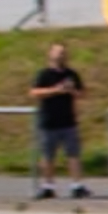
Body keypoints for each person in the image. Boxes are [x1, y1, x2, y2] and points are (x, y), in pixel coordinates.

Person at [29, 42, 90, 199]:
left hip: (68, 121)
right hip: (49, 121)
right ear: (50, 54)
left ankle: (77, 186)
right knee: (48, 156)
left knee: (73, 154)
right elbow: (34, 92)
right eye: (58, 52)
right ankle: (48, 186)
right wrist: (56, 90)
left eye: (63, 52)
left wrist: (71, 90)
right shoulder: (44, 74)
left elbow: (82, 94)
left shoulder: (71, 74)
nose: (61, 55)